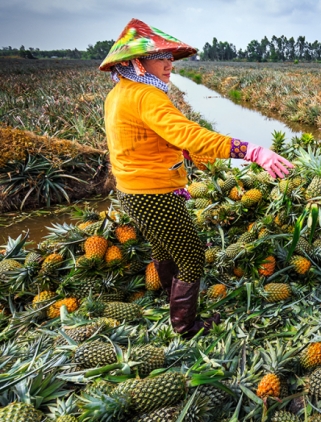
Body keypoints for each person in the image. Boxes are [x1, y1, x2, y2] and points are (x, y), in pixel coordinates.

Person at [100, 19, 293, 337]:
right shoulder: (148, 97)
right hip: (153, 193)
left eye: (170, 58)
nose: (168, 64)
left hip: (131, 190)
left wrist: (180, 154)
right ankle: (185, 327)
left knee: (164, 249)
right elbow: (189, 133)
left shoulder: (120, 93)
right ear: (137, 62)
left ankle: (169, 300)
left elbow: (140, 137)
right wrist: (252, 151)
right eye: (160, 57)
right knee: (191, 257)